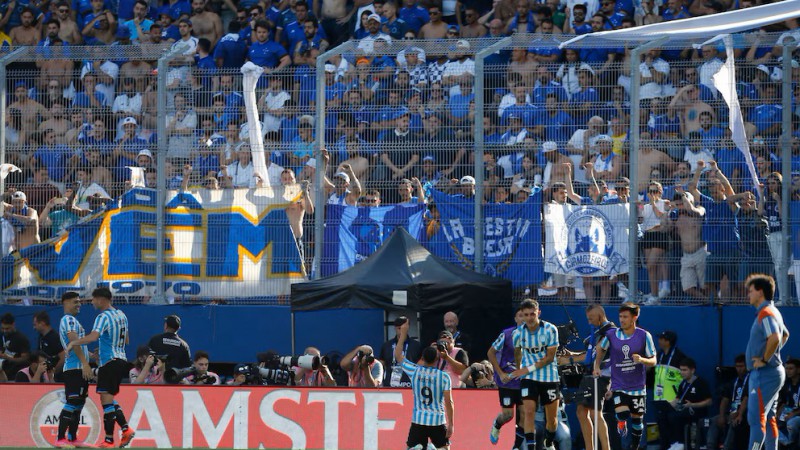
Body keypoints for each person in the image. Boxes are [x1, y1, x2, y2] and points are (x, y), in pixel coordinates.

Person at [65, 287, 135, 448]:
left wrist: (74, 342)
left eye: (93, 299)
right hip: (121, 360)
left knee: (106, 401)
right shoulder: (121, 314)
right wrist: (102, 349)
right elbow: (127, 340)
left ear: (102, 299)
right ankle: (125, 429)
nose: (92, 302)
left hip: (109, 362)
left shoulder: (102, 317)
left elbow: (93, 337)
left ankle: (110, 440)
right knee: (108, 399)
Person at [594, 302, 657, 450]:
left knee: (637, 421)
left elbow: (653, 360)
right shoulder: (611, 334)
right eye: (620, 316)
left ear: (635, 317)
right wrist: (597, 366)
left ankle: (634, 446)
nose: (622, 320)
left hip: (638, 386)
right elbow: (601, 349)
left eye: (625, 317)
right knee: (622, 414)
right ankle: (621, 421)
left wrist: (642, 359)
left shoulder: (644, 335)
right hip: (619, 385)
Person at [745, 274, 790, 450]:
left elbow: (776, 337)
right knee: (770, 418)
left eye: (750, 291)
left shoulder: (765, 312)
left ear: (760, 292)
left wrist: (765, 358)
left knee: (756, 420)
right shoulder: (774, 311)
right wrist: (773, 354)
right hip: (773, 373)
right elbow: (785, 335)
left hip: (765, 374)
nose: (748, 295)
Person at [394, 318, 454, 450]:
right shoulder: (444, 377)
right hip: (438, 420)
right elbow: (449, 402)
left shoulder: (414, 371)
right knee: (444, 448)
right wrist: (451, 424)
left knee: (411, 447)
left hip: (419, 420)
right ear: (437, 359)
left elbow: (398, 356)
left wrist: (403, 335)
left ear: (423, 358)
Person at [510, 299, 561, 450]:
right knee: (529, 412)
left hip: (549, 377)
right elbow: (517, 352)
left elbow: (550, 357)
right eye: (526, 315)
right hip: (529, 378)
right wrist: (520, 370)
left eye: (532, 314)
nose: (530, 318)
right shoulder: (518, 333)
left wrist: (526, 369)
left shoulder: (550, 329)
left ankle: (549, 441)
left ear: (538, 313)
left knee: (551, 420)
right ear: (522, 316)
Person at [54, 291, 93, 448]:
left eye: (79, 302)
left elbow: (79, 344)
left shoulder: (73, 321)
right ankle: (60, 438)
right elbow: (74, 341)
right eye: (75, 302)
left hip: (78, 368)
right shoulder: (68, 320)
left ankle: (72, 438)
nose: (79, 304)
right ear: (66, 303)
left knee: (79, 403)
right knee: (73, 401)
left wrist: (91, 356)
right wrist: (85, 363)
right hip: (74, 369)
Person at [576, 304, 616, 450]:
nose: (589, 322)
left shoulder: (611, 332)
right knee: (581, 411)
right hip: (589, 376)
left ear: (600, 315)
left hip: (601, 376)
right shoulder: (597, 333)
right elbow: (588, 355)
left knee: (595, 412)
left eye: (591, 318)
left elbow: (597, 353)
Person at [487, 306, 526, 449]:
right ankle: (497, 424)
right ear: (516, 318)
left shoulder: (533, 336)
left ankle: (516, 446)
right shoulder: (506, 334)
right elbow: (491, 353)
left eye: (525, 315)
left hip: (524, 383)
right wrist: (501, 373)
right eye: (520, 315)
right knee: (508, 415)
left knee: (524, 415)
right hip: (507, 384)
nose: (523, 318)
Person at [666, 358, 712, 449]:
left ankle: (681, 442)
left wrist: (692, 405)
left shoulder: (700, 383)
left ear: (692, 370)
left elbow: (709, 401)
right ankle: (674, 442)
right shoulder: (682, 384)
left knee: (676, 417)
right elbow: (677, 399)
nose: (682, 372)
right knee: (666, 415)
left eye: (685, 370)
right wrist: (667, 404)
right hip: (684, 410)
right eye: (681, 370)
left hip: (697, 411)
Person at [654, 330, 688, 450]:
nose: (659, 341)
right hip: (659, 398)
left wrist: (679, 397)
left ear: (667, 341)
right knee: (662, 425)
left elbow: (686, 378)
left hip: (673, 399)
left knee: (673, 423)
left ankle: (677, 444)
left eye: (661, 339)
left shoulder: (679, 356)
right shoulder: (659, 355)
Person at [708, 354, 750, 450]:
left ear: (747, 366)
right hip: (731, 413)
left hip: (744, 415)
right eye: (737, 366)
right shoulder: (733, 382)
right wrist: (722, 416)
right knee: (714, 421)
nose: (739, 369)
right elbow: (725, 400)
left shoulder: (751, 380)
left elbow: (746, 399)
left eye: (741, 366)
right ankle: (710, 446)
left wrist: (739, 414)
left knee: (734, 423)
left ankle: (726, 447)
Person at [379, 316, 422, 387]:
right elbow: (381, 363)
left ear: (407, 327)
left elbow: (421, 364)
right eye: (397, 326)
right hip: (390, 384)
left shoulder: (416, 345)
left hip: (410, 384)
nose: (400, 328)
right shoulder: (387, 345)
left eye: (402, 326)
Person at [0, 312, 32, 382]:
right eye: (3, 328)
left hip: (16, 375)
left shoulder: (21, 339)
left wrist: (8, 358)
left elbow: (25, 359)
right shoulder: (2, 336)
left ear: (13, 324)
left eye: (7, 328)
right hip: (4, 373)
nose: (5, 331)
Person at [33, 310, 65, 377]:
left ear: (42, 323)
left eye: (35, 324)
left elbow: (63, 358)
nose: (34, 327)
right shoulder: (41, 337)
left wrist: (53, 374)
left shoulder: (54, 337)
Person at [778, 359, 800, 448]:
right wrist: (776, 414)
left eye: (791, 368)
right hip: (787, 413)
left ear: (798, 370)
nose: (788, 371)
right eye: (786, 368)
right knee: (770, 423)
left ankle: (789, 442)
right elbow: (783, 402)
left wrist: (793, 414)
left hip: (797, 415)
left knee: (792, 422)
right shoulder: (786, 383)